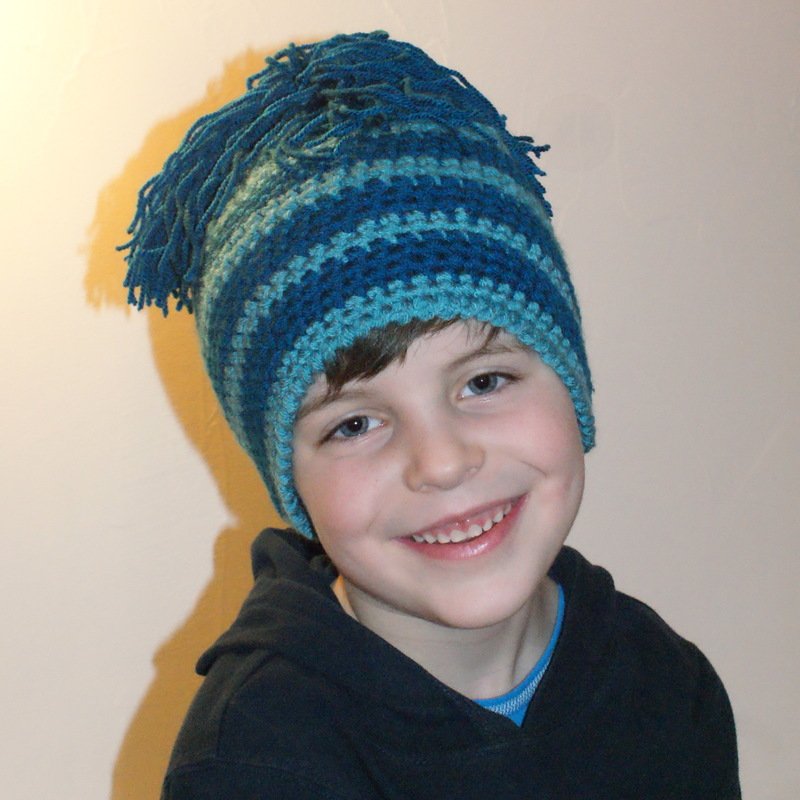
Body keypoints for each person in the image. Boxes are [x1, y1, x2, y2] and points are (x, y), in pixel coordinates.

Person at [121, 31, 740, 799]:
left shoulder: (667, 686)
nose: (442, 462)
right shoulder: (254, 764)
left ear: (572, 385)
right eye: (353, 424)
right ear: (291, 480)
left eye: (484, 380)